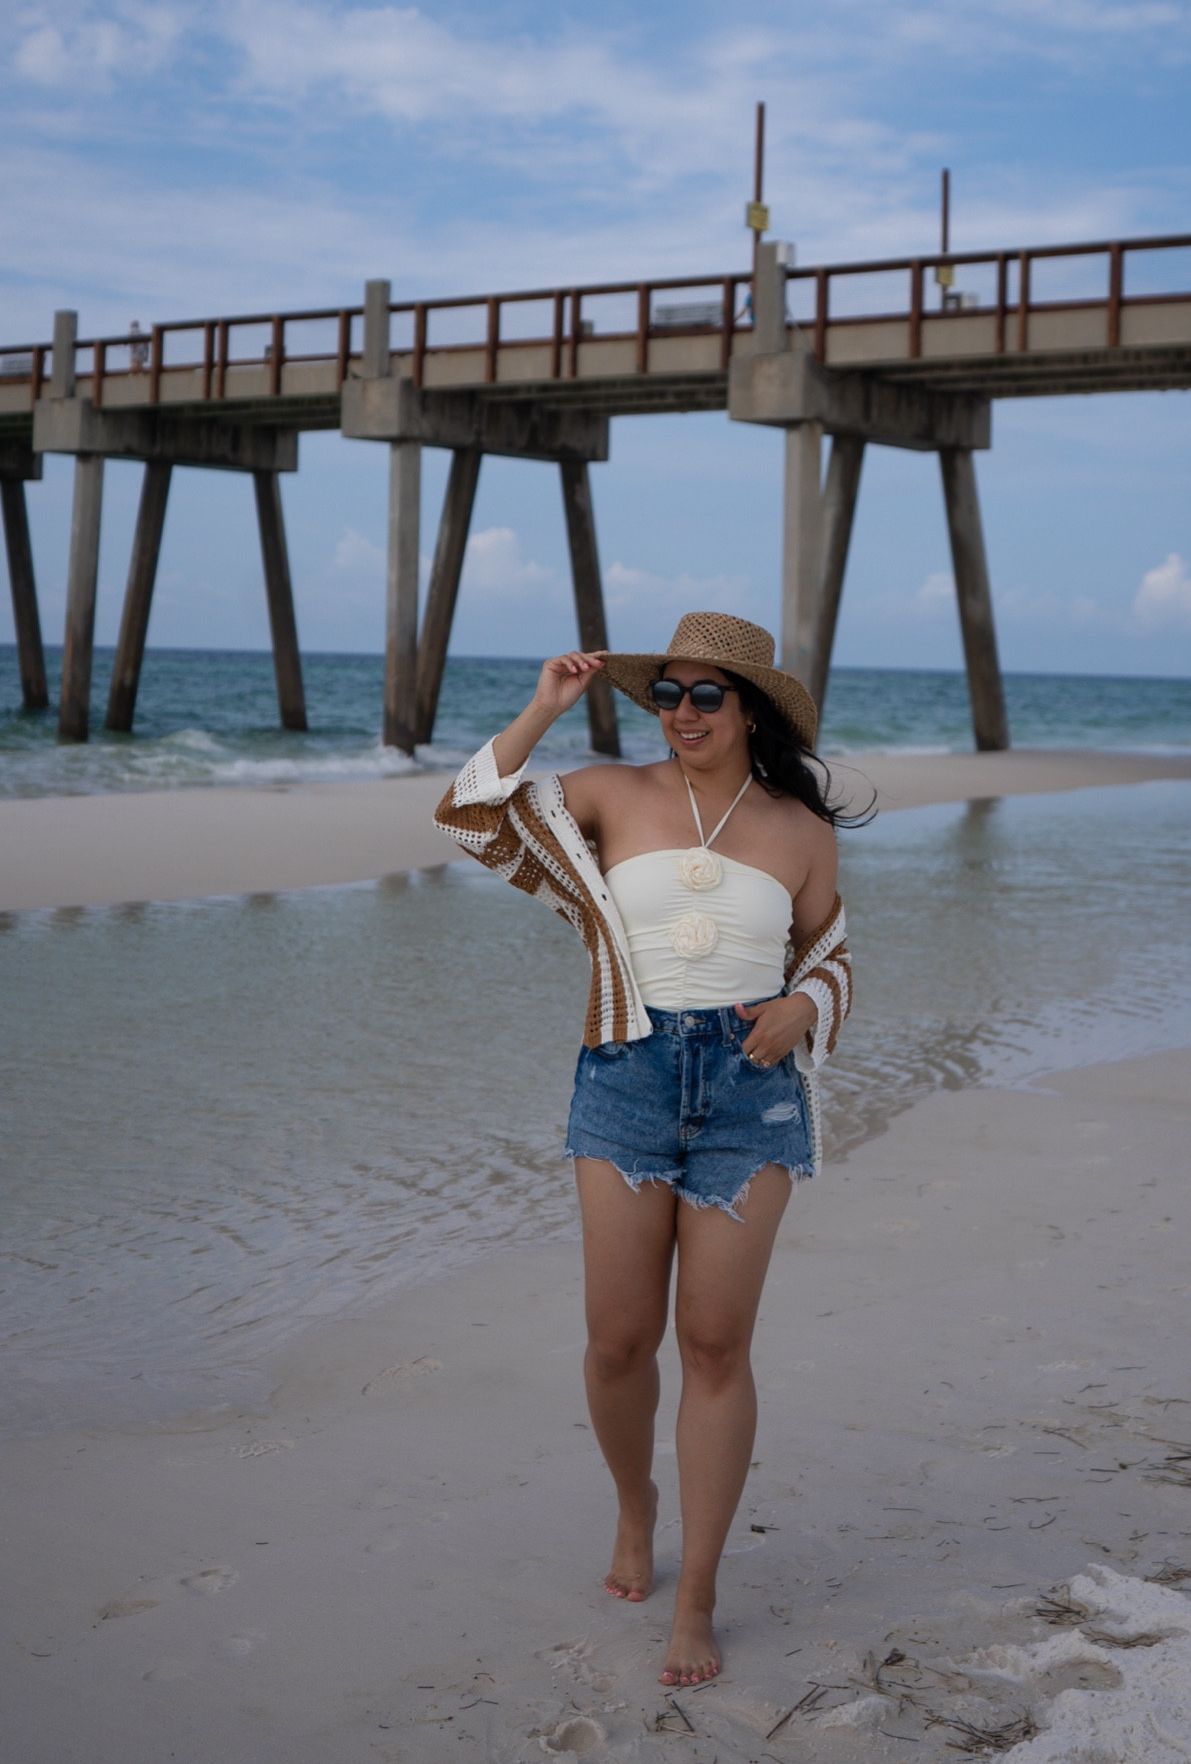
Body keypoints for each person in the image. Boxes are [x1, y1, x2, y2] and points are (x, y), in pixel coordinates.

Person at [435, 612, 856, 1687]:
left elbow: (835, 955)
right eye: (665, 694)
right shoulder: (607, 794)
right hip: (624, 1078)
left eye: (704, 696)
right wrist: (544, 706)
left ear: (748, 710)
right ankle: (637, 1508)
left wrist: (802, 1007)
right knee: (619, 1342)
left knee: (714, 1346)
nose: (680, 714)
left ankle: (700, 1596)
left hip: (748, 1097)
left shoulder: (799, 829)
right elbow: (467, 814)